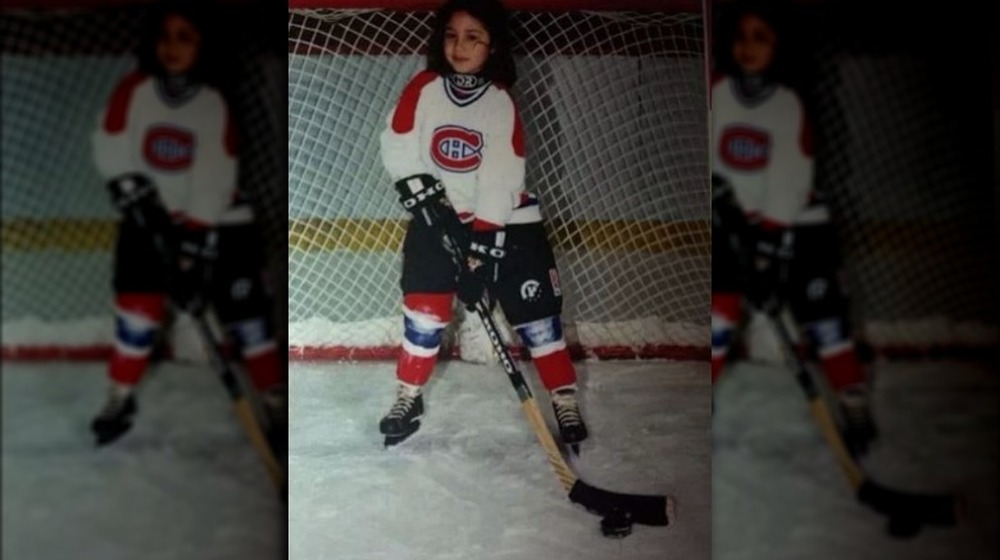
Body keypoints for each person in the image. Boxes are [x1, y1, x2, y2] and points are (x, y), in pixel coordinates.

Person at [376, 0, 588, 450]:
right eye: (452, 35)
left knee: (538, 321)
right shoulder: (424, 87)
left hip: (508, 223)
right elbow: (398, 142)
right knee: (423, 314)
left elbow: (501, 177)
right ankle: (407, 397)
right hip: (437, 220)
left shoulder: (498, 102)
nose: (459, 45)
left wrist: (480, 252)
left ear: (493, 47)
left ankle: (564, 399)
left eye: (473, 36)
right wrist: (423, 197)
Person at [89, 0, 285, 451]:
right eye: (166, 36)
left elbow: (215, 180)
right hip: (146, 222)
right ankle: (119, 396)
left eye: (186, 37)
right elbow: (110, 144)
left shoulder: (213, 104)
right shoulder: (134, 89)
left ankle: (274, 401)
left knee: (249, 323)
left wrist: (192, 251)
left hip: (219, 225)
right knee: (136, 319)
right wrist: (129, 189)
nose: (172, 47)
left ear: (204, 46)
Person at [710, 0, 877, 455]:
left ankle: (852, 398)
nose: (748, 47)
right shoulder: (718, 91)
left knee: (826, 322)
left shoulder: (787, 103)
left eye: (761, 38)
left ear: (780, 47)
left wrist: (767, 255)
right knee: (717, 319)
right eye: (743, 36)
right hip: (735, 228)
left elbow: (790, 183)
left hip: (800, 229)